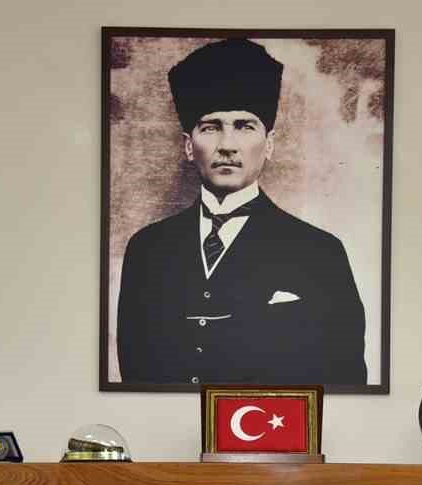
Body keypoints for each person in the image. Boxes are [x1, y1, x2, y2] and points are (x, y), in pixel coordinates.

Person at [115, 37, 367, 387]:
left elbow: (345, 380)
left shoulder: (319, 252)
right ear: (188, 146)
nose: (227, 146)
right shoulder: (147, 249)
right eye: (211, 127)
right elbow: (134, 377)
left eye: (245, 126)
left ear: (270, 144)